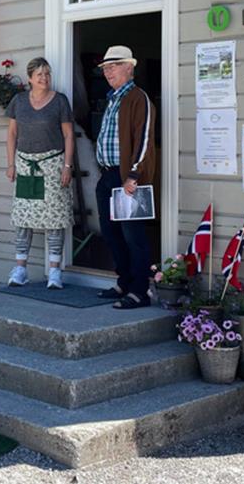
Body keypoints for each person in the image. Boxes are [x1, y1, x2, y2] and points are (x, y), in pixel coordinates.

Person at [93, 45, 158, 309]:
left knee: (134, 237)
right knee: (111, 234)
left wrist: (134, 174)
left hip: (128, 180)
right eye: (106, 68)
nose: (108, 71)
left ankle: (139, 291)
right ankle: (124, 281)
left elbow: (144, 140)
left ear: (129, 67)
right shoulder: (112, 98)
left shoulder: (137, 98)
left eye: (114, 66)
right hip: (108, 176)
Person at [5, 57, 75, 289]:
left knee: (54, 219)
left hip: (53, 164)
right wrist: (11, 164)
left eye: (47, 74)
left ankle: (55, 272)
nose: (44, 78)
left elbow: (68, 136)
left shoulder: (60, 101)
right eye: (40, 75)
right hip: (25, 165)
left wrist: (67, 166)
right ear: (30, 79)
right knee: (24, 219)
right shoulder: (19, 101)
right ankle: (20, 269)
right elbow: (12, 135)